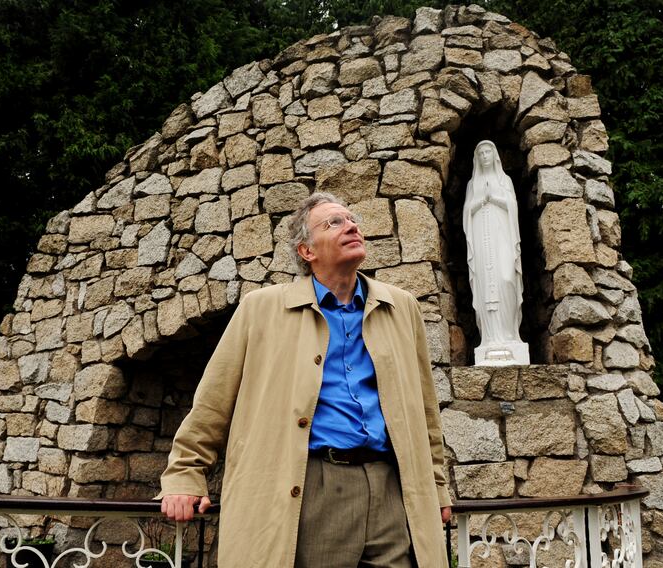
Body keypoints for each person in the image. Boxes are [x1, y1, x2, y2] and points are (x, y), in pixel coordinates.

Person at [159, 192, 451, 567]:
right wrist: (184, 475)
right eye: (334, 222)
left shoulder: (402, 307)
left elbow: (425, 410)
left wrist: (436, 488)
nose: (352, 226)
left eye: (352, 219)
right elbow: (213, 403)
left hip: (391, 489)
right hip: (312, 486)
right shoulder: (261, 309)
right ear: (306, 251)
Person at [462, 140, 528, 365]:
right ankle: (490, 339)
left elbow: (512, 206)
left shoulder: (504, 180)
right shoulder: (473, 184)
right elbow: (467, 212)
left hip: (502, 238)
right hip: (481, 240)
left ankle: (510, 335)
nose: (484, 156)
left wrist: (495, 199)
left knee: (506, 278)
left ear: (495, 155)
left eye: (488, 152)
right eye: (480, 153)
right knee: (484, 285)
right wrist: (481, 201)